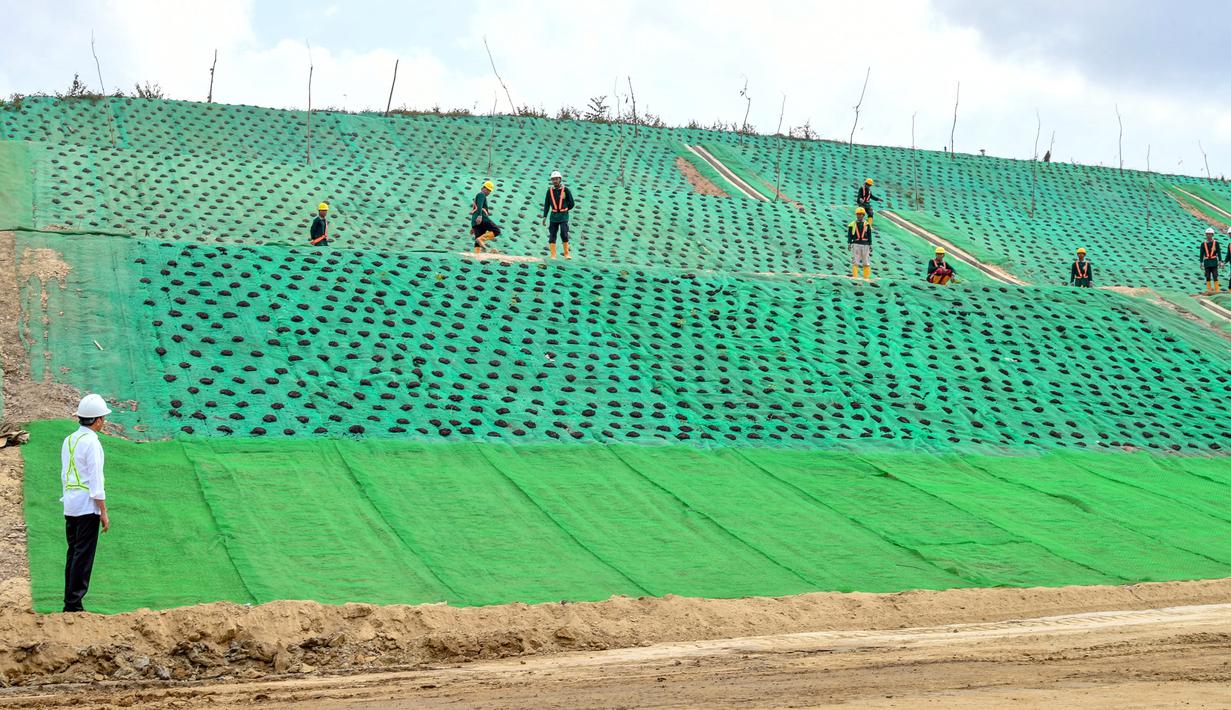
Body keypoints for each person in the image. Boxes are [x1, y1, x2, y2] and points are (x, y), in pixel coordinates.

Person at [61, 394, 111, 613]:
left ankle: (70, 601)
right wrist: (103, 510)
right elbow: (96, 480)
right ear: (97, 420)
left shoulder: (69, 440)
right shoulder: (92, 442)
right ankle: (74, 603)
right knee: (83, 555)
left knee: (73, 552)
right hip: (86, 505)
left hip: (71, 503)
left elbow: (65, 473)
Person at [541, 170, 576, 259]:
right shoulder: (549, 191)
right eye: (553, 179)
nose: (554, 181)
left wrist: (566, 209)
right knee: (552, 234)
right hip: (553, 216)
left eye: (556, 179)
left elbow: (571, 203)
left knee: (564, 233)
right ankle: (553, 255)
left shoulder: (566, 190)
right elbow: (547, 204)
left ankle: (566, 254)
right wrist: (545, 216)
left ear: (560, 179)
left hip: (563, 216)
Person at [470, 181, 500, 254]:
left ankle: (477, 254)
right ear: (483, 188)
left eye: (490, 191)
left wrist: (473, 226)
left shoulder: (478, 196)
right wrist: (480, 216)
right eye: (488, 190)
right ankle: (481, 239)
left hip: (475, 221)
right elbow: (480, 206)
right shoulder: (481, 195)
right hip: (482, 218)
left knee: (478, 238)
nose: (488, 192)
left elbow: (475, 210)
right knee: (496, 231)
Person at [847, 207, 873, 280]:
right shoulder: (852, 224)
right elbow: (849, 235)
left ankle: (866, 278)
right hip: (856, 244)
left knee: (866, 261)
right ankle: (855, 277)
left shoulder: (867, 225)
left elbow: (869, 235)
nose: (859, 216)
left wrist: (870, 244)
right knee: (855, 261)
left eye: (861, 214)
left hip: (866, 244)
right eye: (858, 214)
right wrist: (849, 243)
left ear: (863, 215)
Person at [1201, 227, 1221, 294]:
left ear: (1212, 235)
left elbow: (1219, 252)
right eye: (1207, 234)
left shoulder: (1216, 243)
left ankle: (1217, 289)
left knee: (1215, 275)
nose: (1209, 235)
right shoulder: (1203, 244)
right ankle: (1209, 290)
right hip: (1207, 262)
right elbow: (1201, 254)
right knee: (1207, 276)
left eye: (1210, 234)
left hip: (1214, 262)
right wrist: (1201, 262)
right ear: (1206, 235)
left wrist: (1220, 261)